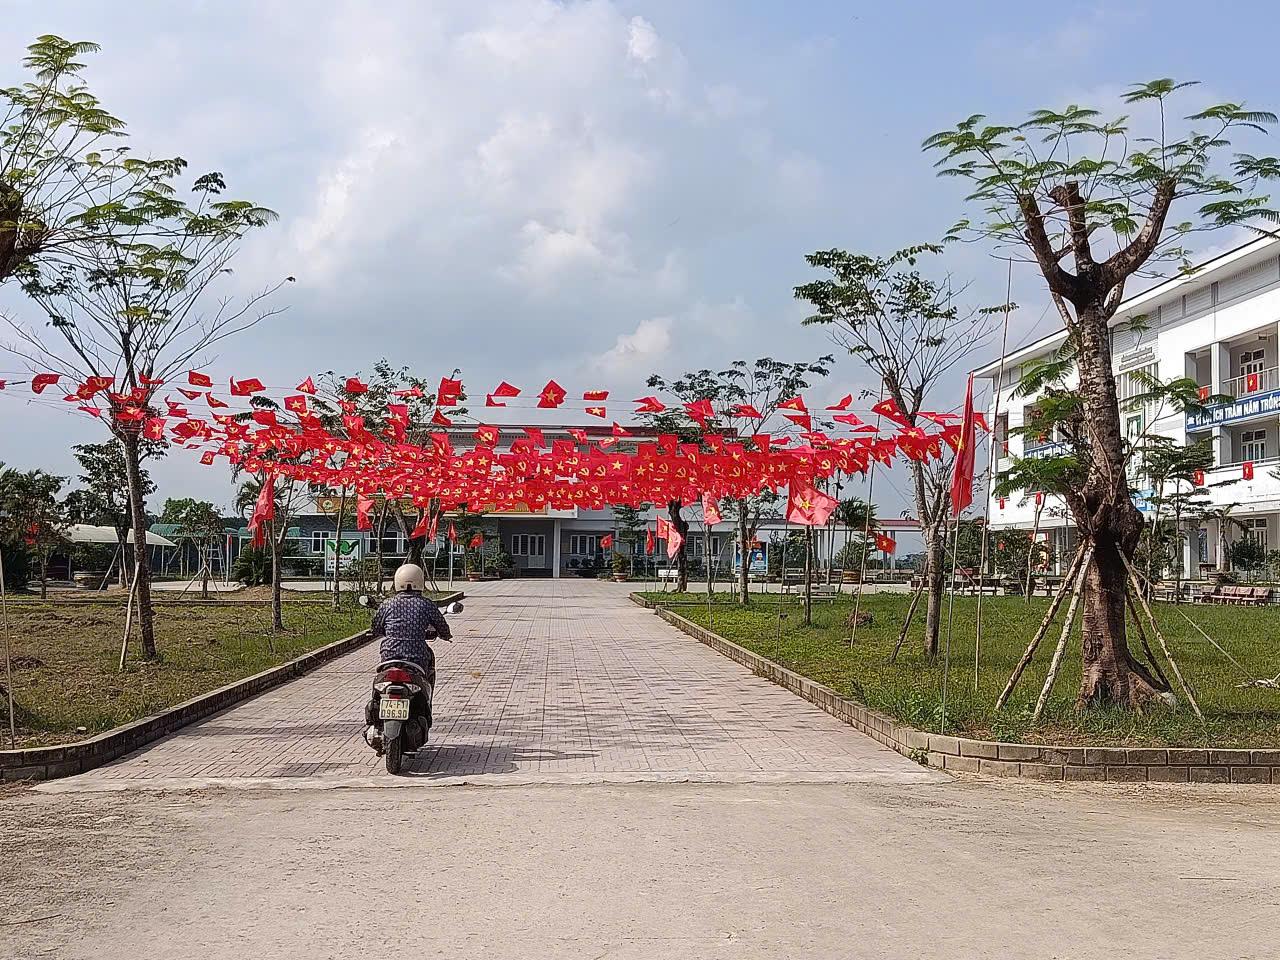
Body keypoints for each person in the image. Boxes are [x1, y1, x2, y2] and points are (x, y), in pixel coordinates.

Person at [371, 563, 451, 687]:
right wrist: (446, 635)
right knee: (427, 673)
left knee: (381, 679)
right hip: (417, 657)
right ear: (420, 581)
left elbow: (375, 627)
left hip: (389, 654)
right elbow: (441, 625)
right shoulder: (426, 604)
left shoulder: (387, 604)